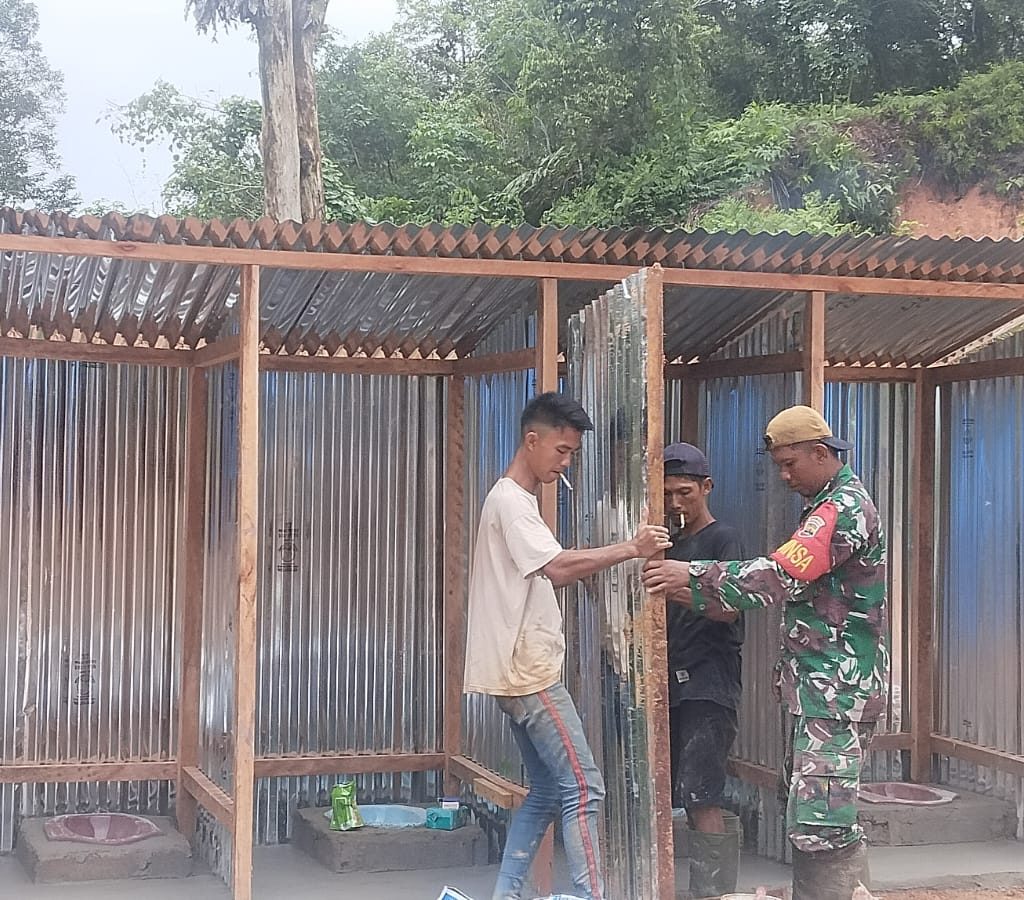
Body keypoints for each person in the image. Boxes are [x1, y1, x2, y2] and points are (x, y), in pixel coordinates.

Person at [642, 406, 889, 900]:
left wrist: (692, 574)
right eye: (778, 465)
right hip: (821, 689)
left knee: (822, 820)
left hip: (836, 690)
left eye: (789, 464)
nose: (784, 476)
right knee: (813, 809)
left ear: (820, 453)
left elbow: (780, 576)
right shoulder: (826, 504)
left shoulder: (840, 510)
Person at [463, 391, 672, 900]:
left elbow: (551, 565)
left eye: (572, 454)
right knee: (585, 788)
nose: (565, 463)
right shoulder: (513, 503)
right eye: (561, 451)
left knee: (546, 791)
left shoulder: (515, 501)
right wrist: (632, 548)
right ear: (531, 440)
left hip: (515, 673)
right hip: (529, 675)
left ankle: (506, 894)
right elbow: (556, 567)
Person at [660, 442, 745, 899]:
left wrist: (671, 585)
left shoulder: (723, 539)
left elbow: (729, 608)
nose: (676, 502)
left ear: (707, 487)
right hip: (670, 686)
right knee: (679, 793)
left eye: (685, 492)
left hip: (709, 686)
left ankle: (713, 894)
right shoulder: (668, 544)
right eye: (667, 493)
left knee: (701, 795)